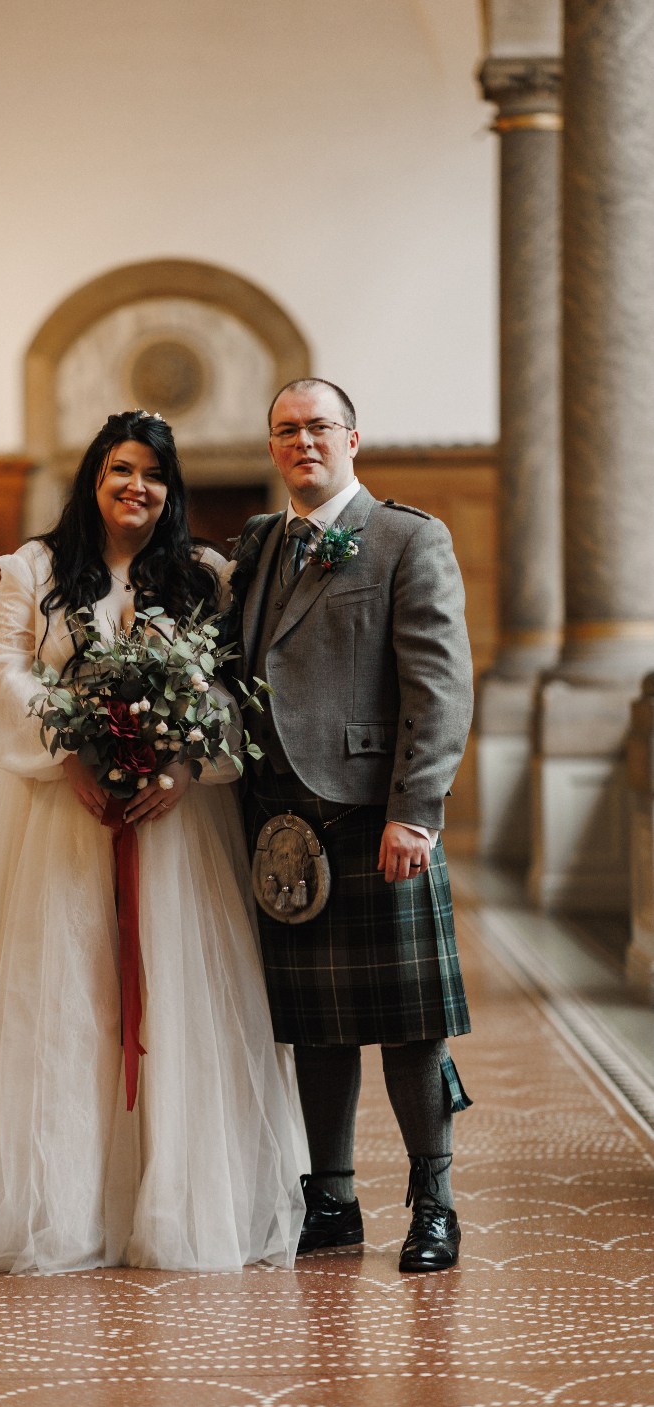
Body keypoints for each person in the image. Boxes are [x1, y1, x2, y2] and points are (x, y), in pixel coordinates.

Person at [0, 409, 305, 1275]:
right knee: (65, 994)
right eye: (120, 470)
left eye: (153, 474)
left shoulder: (203, 576)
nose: (136, 487)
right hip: (55, 818)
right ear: (93, 479)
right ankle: (59, 1204)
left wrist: (183, 762)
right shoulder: (34, 568)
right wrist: (71, 749)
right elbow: (0, 671)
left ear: (171, 489)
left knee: (174, 994)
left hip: (174, 825)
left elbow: (228, 686)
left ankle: (170, 1196)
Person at [229, 378, 474, 1273]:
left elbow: (438, 685)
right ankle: (330, 1201)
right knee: (315, 1026)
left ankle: (434, 1206)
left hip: (374, 816)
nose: (303, 442)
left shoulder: (408, 537)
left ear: (352, 439)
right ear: (271, 447)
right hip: (279, 825)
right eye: (285, 430)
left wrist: (415, 812)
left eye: (318, 427)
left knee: (411, 1026)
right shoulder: (259, 543)